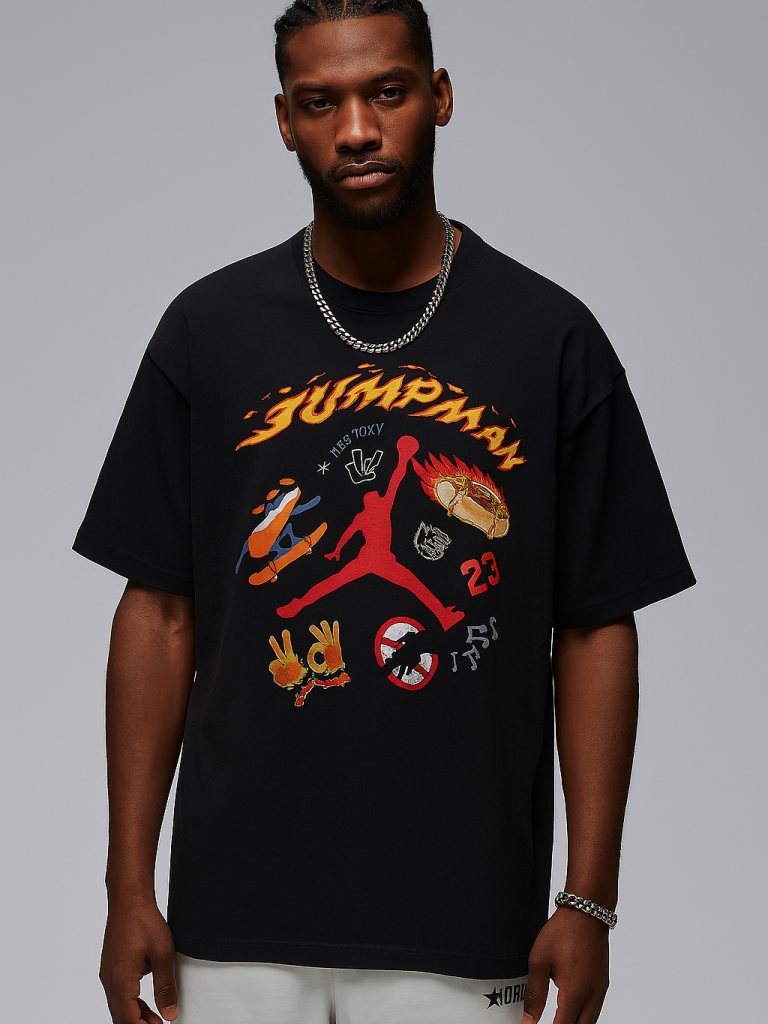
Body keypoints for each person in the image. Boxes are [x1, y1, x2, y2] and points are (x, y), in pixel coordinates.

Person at [73, 2, 695, 1022]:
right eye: (321, 103)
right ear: (285, 120)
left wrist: (589, 900)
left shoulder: (549, 338)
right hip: (232, 927)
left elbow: (594, 627)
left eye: (387, 92)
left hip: (464, 930)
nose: (356, 130)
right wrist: (126, 886)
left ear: (439, 97)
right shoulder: (207, 330)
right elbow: (159, 613)